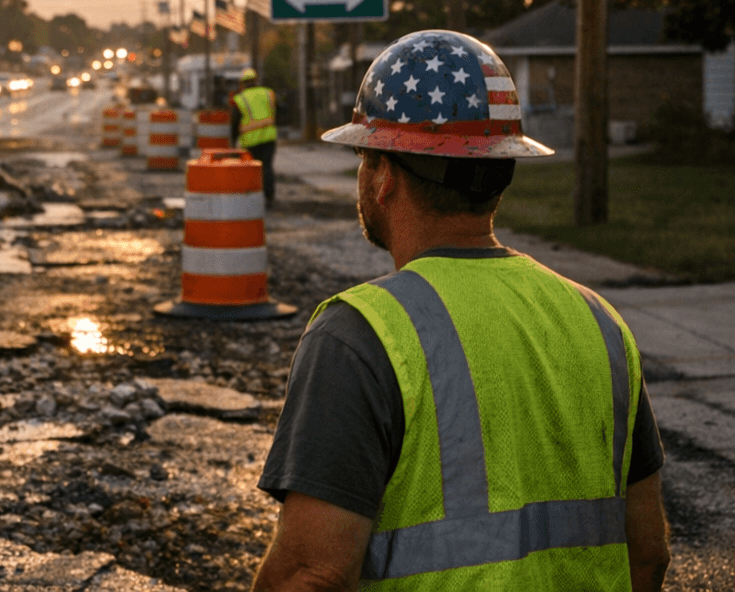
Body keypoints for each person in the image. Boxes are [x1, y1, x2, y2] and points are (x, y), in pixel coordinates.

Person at [252, 30, 671, 591]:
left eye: (363, 155)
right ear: (500, 173)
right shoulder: (599, 323)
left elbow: (312, 576)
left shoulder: (361, 336)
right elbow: (648, 555)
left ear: (384, 176)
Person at [230, 67, 278, 205]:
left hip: (250, 141)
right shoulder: (268, 93)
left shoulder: (240, 99)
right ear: (256, 81)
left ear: (242, 84)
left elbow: (235, 122)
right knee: (267, 167)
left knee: (253, 170)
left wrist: (233, 142)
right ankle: (269, 197)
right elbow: (279, 112)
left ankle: (254, 197)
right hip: (269, 138)